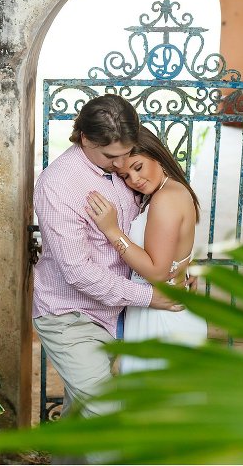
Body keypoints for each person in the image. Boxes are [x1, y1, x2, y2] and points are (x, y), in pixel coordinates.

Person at [32, 94, 185, 428]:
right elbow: (78, 271)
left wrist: (178, 269)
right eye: (112, 157)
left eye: (127, 154)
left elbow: (154, 232)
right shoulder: (59, 185)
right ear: (85, 138)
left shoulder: (128, 168)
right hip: (71, 316)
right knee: (107, 418)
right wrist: (150, 296)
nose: (121, 165)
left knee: (80, 420)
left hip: (118, 313)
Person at [86, 126, 207, 373]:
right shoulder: (169, 191)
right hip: (159, 310)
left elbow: (157, 272)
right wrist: (186, 263)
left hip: (163, 316)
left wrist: (112, 231)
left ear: (157, 155)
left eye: (138, 167)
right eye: (125, 176)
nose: (134, 180)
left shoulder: (165, 198)